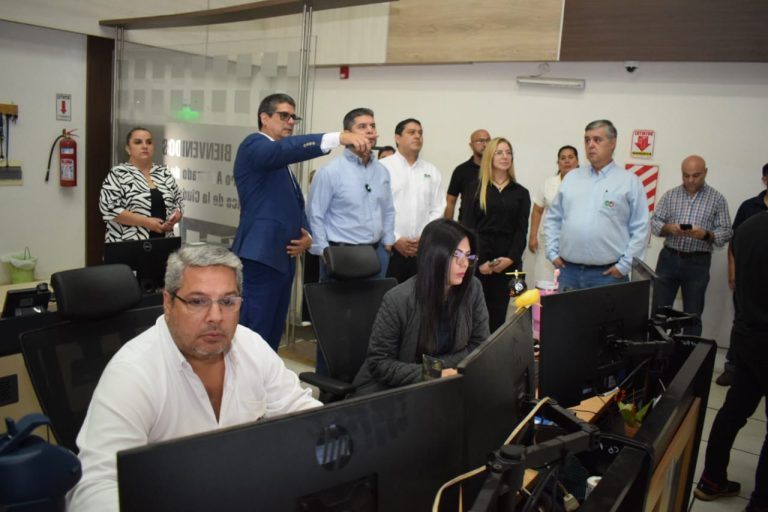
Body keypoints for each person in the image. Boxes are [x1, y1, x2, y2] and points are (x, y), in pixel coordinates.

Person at [67, 244, 321, 512]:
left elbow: (307, 418)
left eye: (227, 302)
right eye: (198, 301)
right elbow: (96, 486)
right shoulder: (133, 373)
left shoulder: (251, 346)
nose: (215, 317)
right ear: (168, 303)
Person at [231, 93, 370, 352]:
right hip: (260, 257)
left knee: (273, 335)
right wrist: (336, 138)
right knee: (253, 333)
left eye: (293, 117)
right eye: (283, 115)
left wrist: (307, 236)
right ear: (264, 118)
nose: (290, 121)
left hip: (283, 258)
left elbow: (293, 203)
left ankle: (266, 378)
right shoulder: (254, 145)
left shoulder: (280, 161)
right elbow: (284, 150)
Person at [352, 218, 490, 395]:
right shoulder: (398, 300)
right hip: (396, 391)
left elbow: (479, 346)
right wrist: (434, 372)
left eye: (468, 255)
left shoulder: (472, 288)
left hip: (445, 384)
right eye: (456, 255)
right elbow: (380, 364)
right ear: (433, 256)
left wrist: (440, 370)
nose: (464, 264)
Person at [694, 211, 768, 512]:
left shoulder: (749, 227)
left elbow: (737, 277)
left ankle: (711, 480)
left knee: (733, 411)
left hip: (747, 334)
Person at [543, 119, 649, 291]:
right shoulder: (572, 178)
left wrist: (624, 266)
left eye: (597, 140)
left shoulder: (629, 182)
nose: (590, 145)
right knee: (566, 311)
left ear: (612, 143)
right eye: (587, 140)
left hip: (608, 276)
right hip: (568, 272)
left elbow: (641, 228)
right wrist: (552, 252)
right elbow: (553, 218)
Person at [307, 107, 395, 279]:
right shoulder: (330, 171)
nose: (370, 131)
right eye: (362, 126)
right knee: (336, 298)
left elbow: (388, 209)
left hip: (377, 254)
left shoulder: (382, 171)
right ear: (347, 134)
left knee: (376, 298)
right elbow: (315, 215)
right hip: (340, 256)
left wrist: (388, 242)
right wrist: (323, 252)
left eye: (372, 126)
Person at [650, 155, 731, 336]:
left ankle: (688, 352)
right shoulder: (670, 195)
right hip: (669, 259)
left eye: (696, 175)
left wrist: (706, 235)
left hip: (697, 262)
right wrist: (669, 228)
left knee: (692, 315)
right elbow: (654, 222)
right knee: (659, 313)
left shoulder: (717, 199)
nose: (690, 180)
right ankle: (658, 351)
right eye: (686, 175)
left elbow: (726, 231)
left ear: (705, 173)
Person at [463, 137, 531, 333]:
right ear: (490, 157)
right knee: (475, 316)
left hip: (508, 264)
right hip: (480, 263)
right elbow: (468, 229)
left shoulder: (521, 193)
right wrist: (479, 262)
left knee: (500, 316)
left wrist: (510, 259)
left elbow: (521, 231)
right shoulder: (474, 189)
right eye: (499, 152)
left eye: (508, 152)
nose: (505, 156)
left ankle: (495, 352)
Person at [716, 162, 768, 386]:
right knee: (742, 322)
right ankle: (733, 366)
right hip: (748, 279)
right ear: (764, 179)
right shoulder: (749, 207)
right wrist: (733, 271)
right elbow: (733, 241)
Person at [379, 118, 445, 283]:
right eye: (411, 132)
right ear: (397, 138)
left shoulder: (431, 170)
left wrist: (424, 237)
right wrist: (395, 238)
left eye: (420, 133)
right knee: (388, 296)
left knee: (420, 296)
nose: (417, 136)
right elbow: (375, 208)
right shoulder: (382, 168)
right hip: (388, 250)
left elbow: (438, 208)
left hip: (422, 251)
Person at [99, 127, 183, 242]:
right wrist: (146, 222)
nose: (145, 146)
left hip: (163, 243)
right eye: (138, 142)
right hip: (127, 244)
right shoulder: (118, 173)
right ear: (128, 149)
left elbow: (179, 204)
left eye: (149, 142)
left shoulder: (164, 173)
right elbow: (109, 208)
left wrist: (176, 217)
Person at [527, 145, 579, 284]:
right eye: (563, 158)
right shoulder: (548, 183)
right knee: (544, 282)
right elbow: (537, 210)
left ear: (577, 161)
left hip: (574, 243)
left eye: (570, 157)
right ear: (558, 162)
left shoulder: (585, 184)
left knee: (567, 285)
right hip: (548, 241)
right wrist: (533, 236)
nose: (567, 161)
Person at [444, 129, 491, 222]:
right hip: (467, 226)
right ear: (471, 145)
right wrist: (448, 228)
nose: (485, 144)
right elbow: (450, 202)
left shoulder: (498, 169)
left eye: (488, 140)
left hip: (493, 226)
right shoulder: (461, 170)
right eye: (480, 141)